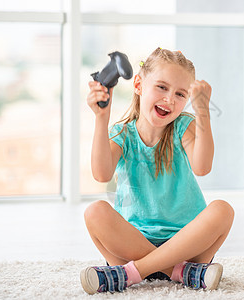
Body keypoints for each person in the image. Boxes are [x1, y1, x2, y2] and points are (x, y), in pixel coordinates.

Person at [80, 48, 234, 295]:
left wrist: (203, 114)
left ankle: (132, 273)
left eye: (180, 93)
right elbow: (101, 174)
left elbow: (202, 167)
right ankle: (180, 272)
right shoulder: (122, 133)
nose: (170, 99)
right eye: (162, 87)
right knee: (95, 212)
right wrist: (101, 119)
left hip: (187, 244)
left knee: (222, 210)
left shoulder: (184, 126)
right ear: (139, 85)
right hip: (132, 243)